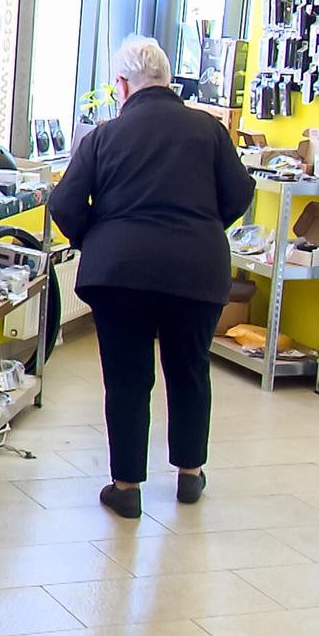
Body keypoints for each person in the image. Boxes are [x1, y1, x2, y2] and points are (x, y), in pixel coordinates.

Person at [48, 36, 254, 516]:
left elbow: (63, 204)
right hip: (196, 270)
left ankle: (126, 487)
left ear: (121, 84)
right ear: (167, 79)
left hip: (120, 274)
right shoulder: (209, 131)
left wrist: (96, 238)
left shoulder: (102, 136)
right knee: (189, 370)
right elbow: (240, 194)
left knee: (127, 378)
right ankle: (189, 474)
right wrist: (202, 227)